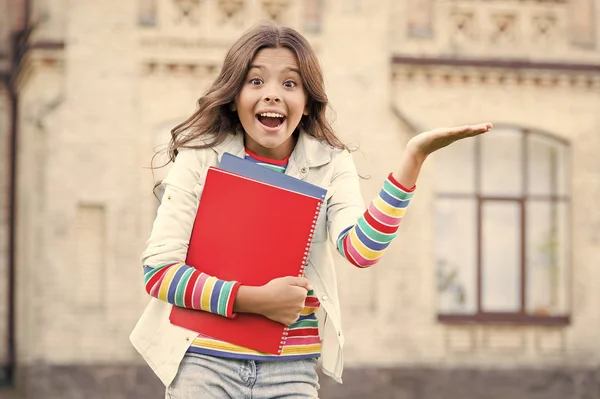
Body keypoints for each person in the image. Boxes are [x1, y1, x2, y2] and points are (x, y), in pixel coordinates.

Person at [130, 23, 492, 398]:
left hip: (291, 372)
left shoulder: (331, 163)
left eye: (290, 84)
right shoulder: (201, 158)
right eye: (256, 81)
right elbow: (159, 274)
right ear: (234, 96)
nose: (272, 95)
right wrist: (254, 299)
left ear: (307, 103)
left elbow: (360, 249)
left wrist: (412, 159)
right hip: (203, 366)